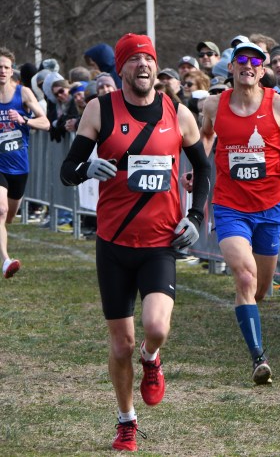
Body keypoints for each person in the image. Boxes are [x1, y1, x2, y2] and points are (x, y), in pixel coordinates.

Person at [59, 33, 211, 451]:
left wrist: (196, 217)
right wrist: (88, 168)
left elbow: (203, 169)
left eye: (149, 59)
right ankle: (126, 420)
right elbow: (67, 171)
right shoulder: (100, 109)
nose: (143, 65)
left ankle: (152, 357)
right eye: (134, 60)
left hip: (160, 241)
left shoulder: (177, 112)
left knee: (156, 327)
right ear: (121, 68)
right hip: (114, 242)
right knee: (120, 344)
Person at [199, 42, 280, 384]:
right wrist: (200, 167)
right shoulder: (213, 105)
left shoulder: (279, 104)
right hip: (229, 206)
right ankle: (258, 358)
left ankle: (247, 307)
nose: (248, 65)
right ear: (231, 67)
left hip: (269, 208)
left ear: (262, 71)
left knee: (260, 289)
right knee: (245, 277)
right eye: (241, 59)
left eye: (255, 61)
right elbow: (205, 137)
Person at [0, 47, 50, 278]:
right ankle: (6, 261)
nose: (2, 71)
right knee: (1, 210)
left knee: (9, 217)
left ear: (12, 71)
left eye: (5, 67)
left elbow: (46, 123)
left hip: (19, 165)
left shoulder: (24, 93)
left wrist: (24, 119)